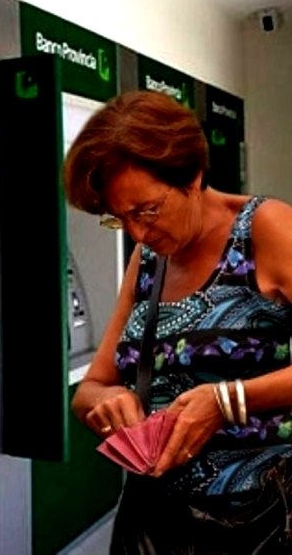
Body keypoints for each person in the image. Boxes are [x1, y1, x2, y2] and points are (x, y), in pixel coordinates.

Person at [64, 89, 292, 553]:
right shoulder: (149, 259)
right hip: (159, 523)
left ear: (192, 175)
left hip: (261, 520)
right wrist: (109, 402)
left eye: (146, 210)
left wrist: (227, 400)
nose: (137, 233)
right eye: (118, 219)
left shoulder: (265, 229)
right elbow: (90, 389)